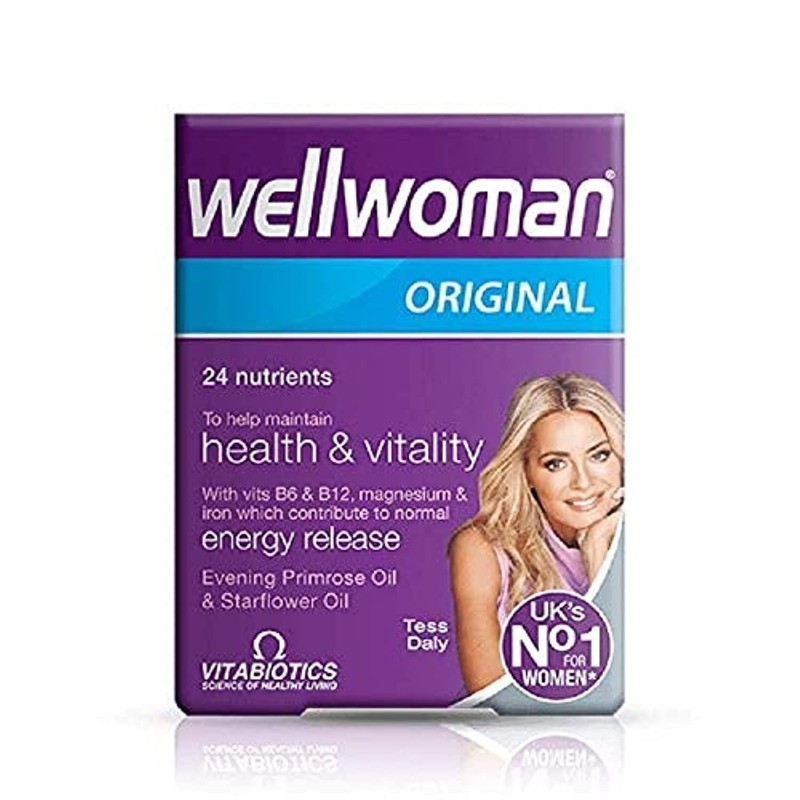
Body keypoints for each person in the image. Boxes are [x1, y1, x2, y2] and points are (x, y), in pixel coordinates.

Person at [448, 373, 624, 694]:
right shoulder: (481, 548)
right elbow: (492, 697)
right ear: (527, 472)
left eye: (599, 455)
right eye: (556, 463)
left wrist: (599, 551)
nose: (583, 482)